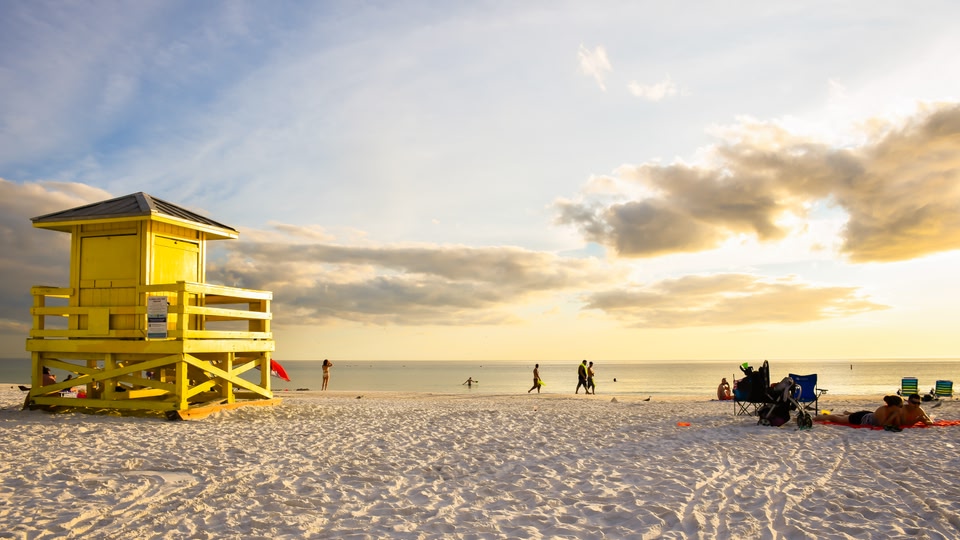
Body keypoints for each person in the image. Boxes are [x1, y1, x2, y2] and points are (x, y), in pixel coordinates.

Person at [815, 395, 904, 429]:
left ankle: (847, 413)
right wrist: (894, 416)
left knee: (843, 417)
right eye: (900, 406)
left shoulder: (894, 411)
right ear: (894, 405)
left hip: (867, 414)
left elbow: (897, 424)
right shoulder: (883, 410)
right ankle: (818, 417)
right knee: (835, 418)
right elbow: (881, 425)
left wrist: (896, 416)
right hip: (861, 418)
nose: (901, 408)